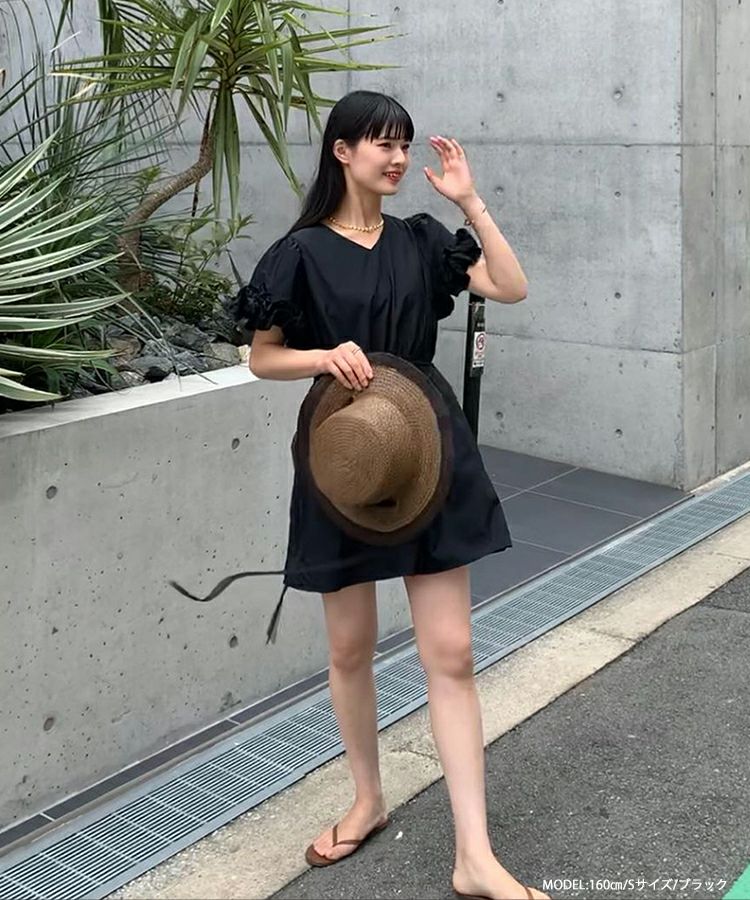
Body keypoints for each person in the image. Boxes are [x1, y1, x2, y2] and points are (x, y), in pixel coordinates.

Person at [232, 90, 548, 900]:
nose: (399, 158)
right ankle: (368, 798)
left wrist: (469, 201)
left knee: (453, 652)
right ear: (342, 151)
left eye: (404, 143)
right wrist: (321, 357)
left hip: (429, 453)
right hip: (346, 458)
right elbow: (261, 356)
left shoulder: (420, 238)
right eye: (382, 143)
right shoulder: (299, 253)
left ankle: (474, 856)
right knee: (350, 649)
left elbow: (509, 286)